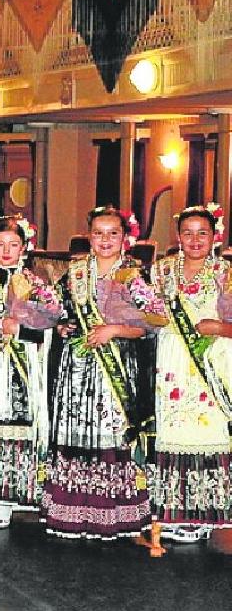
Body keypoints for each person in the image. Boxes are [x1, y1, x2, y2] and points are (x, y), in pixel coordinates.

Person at [43, 206, 157, 543]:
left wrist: (116, 329)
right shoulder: (75, 274)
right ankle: (72, 510)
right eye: (98, 233)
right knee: (76, 433)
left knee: (111, 434)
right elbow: (59, 313)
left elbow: (150, 326)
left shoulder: (135, 276)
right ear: (88, 236)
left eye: (113, 233)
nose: (105, 240)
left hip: (116, 369)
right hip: (77, 368)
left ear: (125, 238)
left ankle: (111, 512)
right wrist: (62, 327)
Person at [0, 217, 61, 530]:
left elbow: (49, 328)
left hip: (21, 366)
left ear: (24, 248)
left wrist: (18, 329)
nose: (6, 251)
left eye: (13, 245)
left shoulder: (35, 282)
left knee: (16, 425)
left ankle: (8, 496)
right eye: (0, 244)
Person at [147, 205, 232, 546]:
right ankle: (173, 508)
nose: (195, 240)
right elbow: (145, 314)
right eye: (188, 233)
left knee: (204, 432)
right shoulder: (162, 271)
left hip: (210, 358)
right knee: (173, 429)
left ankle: (203, 513)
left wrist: (220, 327)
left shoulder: (226, 273)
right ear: (177, 236)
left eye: (202, 233)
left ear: (215, 236)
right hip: (171, 358)